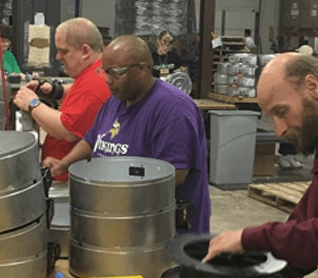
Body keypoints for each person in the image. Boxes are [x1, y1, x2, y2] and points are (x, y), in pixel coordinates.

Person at [203, 53, 318, 278]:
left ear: (312, 86)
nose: (279, 130)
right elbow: (302, 236)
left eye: (281, 112)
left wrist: (250, 238)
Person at [42, 35, 211, 234]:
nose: (107, 79)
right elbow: (93, 138)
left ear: (141, 69)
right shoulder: (117, 99)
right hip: (121, 224)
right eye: (104, 71)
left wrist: (117, 199)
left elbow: (175, 175)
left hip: (162, 234)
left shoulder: (173, 109)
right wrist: (64, 163)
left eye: (115, 72)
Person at [13, 17, 111, 181]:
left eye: (64, 51)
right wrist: (55, 92)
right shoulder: (97, 71)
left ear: (85, 51)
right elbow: (80, 95)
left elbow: (66, 130)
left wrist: (32, 104)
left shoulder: (93, 84)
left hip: (71, 178)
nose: (58, 56)